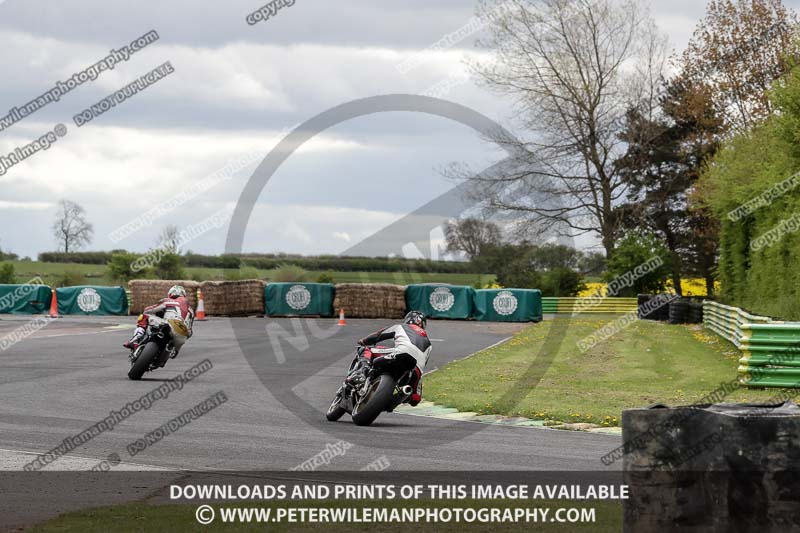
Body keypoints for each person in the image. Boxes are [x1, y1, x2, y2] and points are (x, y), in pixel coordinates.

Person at [347, 310, 431, 406]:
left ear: (407, 319)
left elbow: (379, 335)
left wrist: (364, 340)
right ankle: (397, 398)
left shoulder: (401, 327)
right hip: (415, 370)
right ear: (423, 324)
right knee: (415, 399)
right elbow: (423, 364)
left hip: (399, 354)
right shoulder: (429, 343)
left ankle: (361, 373)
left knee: (367, 349)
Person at [123, 285, 195, 356]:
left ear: (171, 293)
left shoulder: (168, 301)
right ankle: (168, 352)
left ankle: (135, 339)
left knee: (144, 316)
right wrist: (178, 348)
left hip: (169, 325)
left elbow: (147, 310)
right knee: (173, 349)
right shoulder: (191, 311)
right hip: (182, 336)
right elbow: (190, 332)